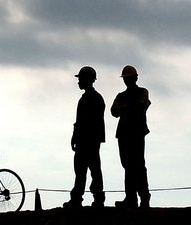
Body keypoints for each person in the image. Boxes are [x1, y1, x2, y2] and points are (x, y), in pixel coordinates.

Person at [63, 66, 106, 208]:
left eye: (80, 78)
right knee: (83, 170)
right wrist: (75, 136)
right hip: (86, 140)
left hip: (89, 141)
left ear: (88, 79)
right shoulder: (91, 98)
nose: (78, 81)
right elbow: (80, 121)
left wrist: (78, 137)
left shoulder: (94, 99)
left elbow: (89, 122)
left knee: (90, 170)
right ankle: (86, 198)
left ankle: (93, 198)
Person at [111, 65, 151, 208]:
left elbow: (140, 107)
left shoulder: (142, 92)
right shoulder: (122, 96)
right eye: (126, 79)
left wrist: (126, 107)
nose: (127, 80)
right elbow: (113, 111)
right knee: (128, 166)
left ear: (134, 78)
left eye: (128, 78)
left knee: (138, 165)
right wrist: (130, 107)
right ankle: (131, 198)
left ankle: (143, 197)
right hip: (125, 134)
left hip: (136, 133)